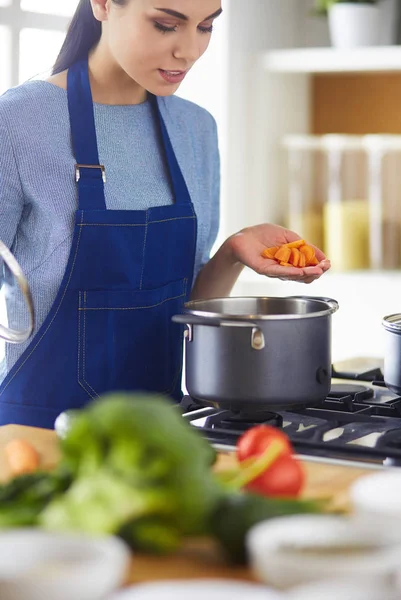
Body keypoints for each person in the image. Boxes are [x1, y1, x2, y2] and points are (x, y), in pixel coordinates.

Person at [0, 0, 330, 429]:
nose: (189, 51)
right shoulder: (17, 122)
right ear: (101, 4)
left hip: (163, 437)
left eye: (205, 27)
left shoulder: (195, 129)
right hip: (36, 435)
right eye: (165, 25)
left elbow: (187, 307)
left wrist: (231, 253)